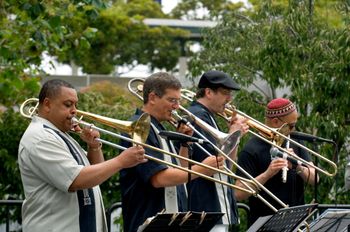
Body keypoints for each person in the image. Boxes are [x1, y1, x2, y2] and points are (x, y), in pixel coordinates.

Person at [18, 79, 146, 232]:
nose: (74, 111)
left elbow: (95, 174)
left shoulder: (60, 135)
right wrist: (121, 161)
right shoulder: (41, 137)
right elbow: (76, 180)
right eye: (68, 104)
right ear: (47, 104)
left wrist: (94, 147)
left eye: (75, 105)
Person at [119, 72, 224, 232]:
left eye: (178, 101)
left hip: (171, 221)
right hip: (147, 223)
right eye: (171, 100)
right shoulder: (139, 128)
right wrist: (202, 169)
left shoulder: (158, 128)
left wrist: (184, 144)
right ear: (153, 97)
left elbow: (178, 173)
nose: (176, 106)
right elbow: (158, 178)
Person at [235, 98, 318, 226]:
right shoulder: (251, 149)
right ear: (275, 121)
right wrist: (267, 174)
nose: (293, 129)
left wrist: (297, 165)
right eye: (291, 125)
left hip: (296, 222)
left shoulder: (295, 142)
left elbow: (315, 179)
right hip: (264, 224)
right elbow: (238, 193)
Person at [187, 70, 249, 231]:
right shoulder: (198, 116)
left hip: (217, 206)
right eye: (225, 93)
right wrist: (233, 133)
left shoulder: (208, 116)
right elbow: (213, 161)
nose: (229, 99)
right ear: (208, 92)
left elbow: (227, 165)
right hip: (207, 207)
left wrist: (235, 136)